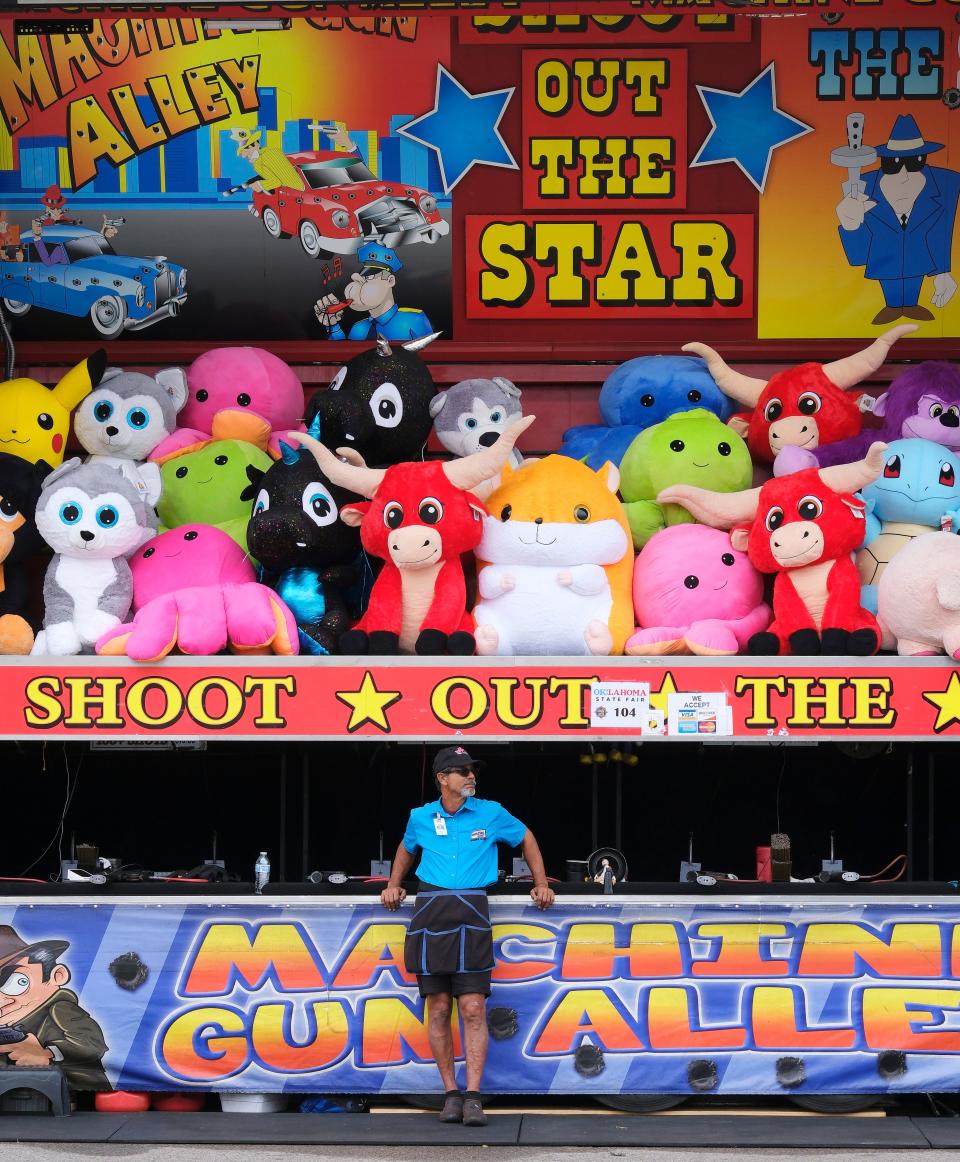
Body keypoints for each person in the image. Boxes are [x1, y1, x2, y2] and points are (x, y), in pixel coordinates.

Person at [381, 745, 554, 1127]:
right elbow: (406, 849)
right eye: (461, 771)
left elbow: (526, 836)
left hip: (473, 912)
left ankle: (474, 1097)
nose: (470, 776)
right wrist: (394, 884)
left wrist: (541, 883)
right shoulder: (421, 816)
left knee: (474, 1007)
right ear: (442, 779)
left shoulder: (491, 812)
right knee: (439, 1007)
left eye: (472, 770)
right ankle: (450, 1094)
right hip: (431, 911)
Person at [837, 113, 960, 325]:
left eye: (915, 162)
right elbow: (859, 255)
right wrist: (850, 226)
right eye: (893, 164)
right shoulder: (864, 187)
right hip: (884, 256)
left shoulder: (944, 183)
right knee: (889, 274)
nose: (903, 175)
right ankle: (893, 306)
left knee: (914, 269)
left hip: (919, 255)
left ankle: (910, 304)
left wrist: (942, 272)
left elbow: (943, 228)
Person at [0, 924, 109, 1091]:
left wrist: (47, 1053)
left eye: (18, 982)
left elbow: (92, 1044)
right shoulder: (10, 1024)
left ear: (57, 976)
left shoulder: (60, 1009)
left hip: (73, 1087)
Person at [315, 241, 434, 341]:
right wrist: (333, 326)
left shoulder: (413, 320)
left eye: (370, 277)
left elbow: (428, 359)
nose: (358, 282)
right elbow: (346, 358)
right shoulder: (358, 328)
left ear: (390, 281)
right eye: (362, 278)